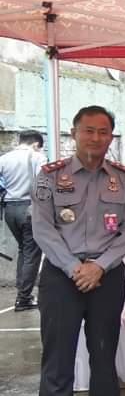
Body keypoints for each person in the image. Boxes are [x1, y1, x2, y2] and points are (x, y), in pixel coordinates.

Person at [32, 106, 125, 396]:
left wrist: (99, 266)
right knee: (58, 357)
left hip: (106, 276)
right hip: (61, 276)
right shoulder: (50, 176)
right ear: (74, 133)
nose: (96, 138)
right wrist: (73, 267)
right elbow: (43, 229)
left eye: (103, 131)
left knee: (104, 353)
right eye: (88, 131)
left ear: (111, 136)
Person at [0, 130, 46, 311]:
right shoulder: (37, 157)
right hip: (29, 208)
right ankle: (24, 298)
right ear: (36, 144)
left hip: (9, 210)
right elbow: (43, 183)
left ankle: (22, 293)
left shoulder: (4, 159)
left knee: (24, 250)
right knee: (32, 253)